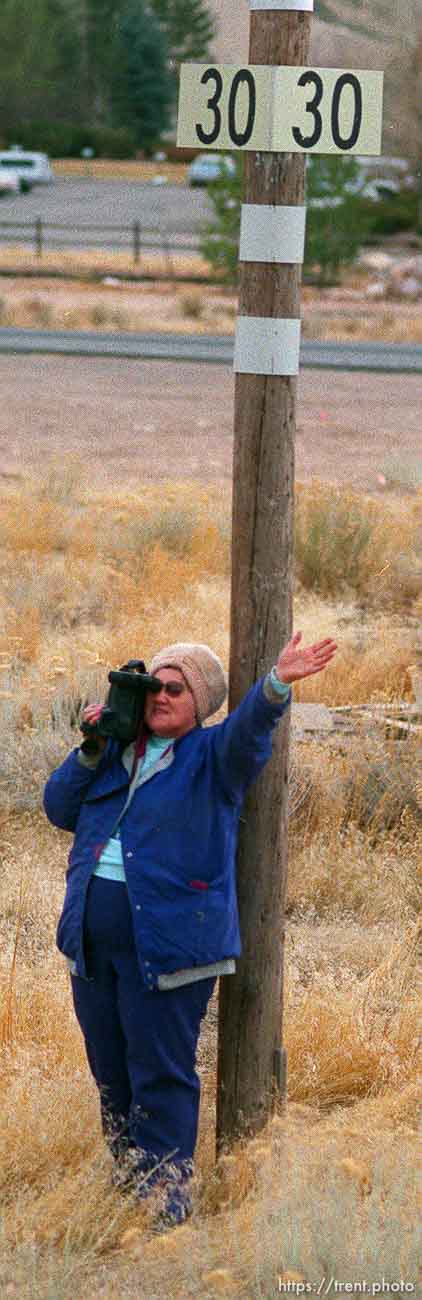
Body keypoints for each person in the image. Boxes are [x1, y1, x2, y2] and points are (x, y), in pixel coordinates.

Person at [43, 632, 337, 1232]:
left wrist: (276, 683)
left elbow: (250, 729)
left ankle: (167, 1215)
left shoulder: (211, 758)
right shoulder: (117, 752)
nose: (159, 696)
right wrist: (93, 746)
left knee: (162, 1077)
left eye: (174, 687)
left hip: (170, 953)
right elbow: (56, 807)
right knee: (113, 1077)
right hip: (91, 948)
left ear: (199, 699)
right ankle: (127, 1197)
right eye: (153, 685)